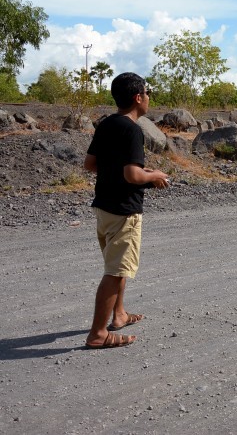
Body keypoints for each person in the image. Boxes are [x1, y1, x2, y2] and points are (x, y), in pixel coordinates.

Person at [83, 72, 170, 349]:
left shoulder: (108, 123)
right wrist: (153, 175)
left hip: (104, 208)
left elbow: (91, 163)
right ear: (137, 98)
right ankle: (98, 334)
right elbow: (132, 175)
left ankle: (118, 314)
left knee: (117, 267)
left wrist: (131, 172)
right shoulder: (133, 129)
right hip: (124, 210)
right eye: (147, 93)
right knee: (116, 271)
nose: (148, 98)